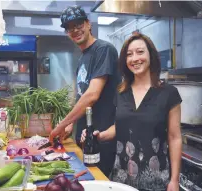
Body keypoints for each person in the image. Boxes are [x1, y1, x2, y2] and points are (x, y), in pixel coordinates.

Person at [81, 33, 182, 191]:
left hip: (155, 181)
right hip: (121, 178)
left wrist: (174, 180)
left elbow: (174, 137)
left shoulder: (168, 93)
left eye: (140, 52)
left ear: (151, 55)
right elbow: (120, 126)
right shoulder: (121, 92)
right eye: (129, 54)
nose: (135, 58)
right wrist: (99, 135)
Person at [49, 5, 121, 177]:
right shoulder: (82, 57)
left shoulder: (103, 49)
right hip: (83, 136)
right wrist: (72, 123)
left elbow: (92, 95)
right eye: (69, 28)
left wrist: (62, 124)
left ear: (88, 24)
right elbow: (82, 94)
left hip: (100, 136)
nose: (74, 30)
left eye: (78, 24)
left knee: (97, 182)